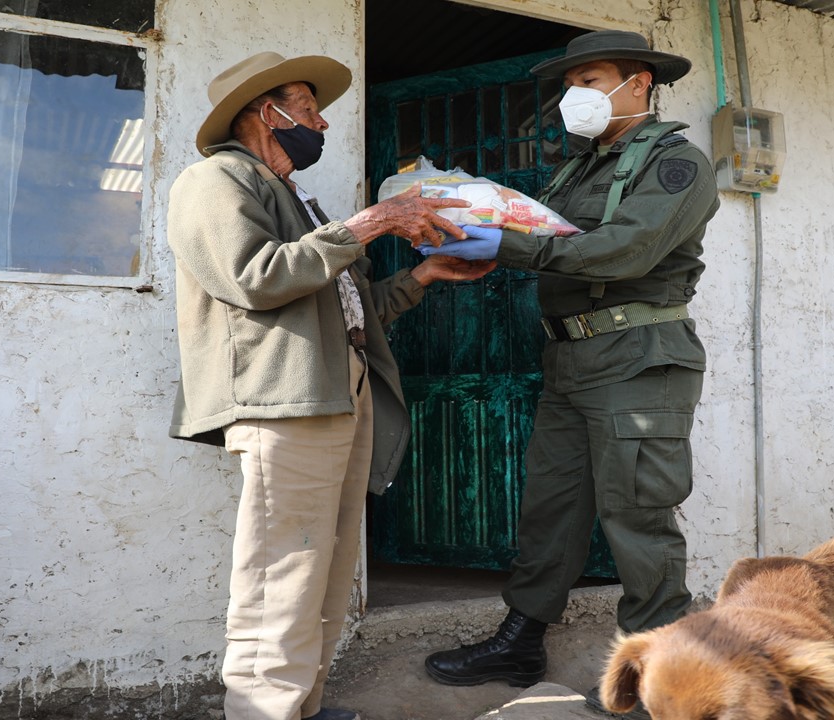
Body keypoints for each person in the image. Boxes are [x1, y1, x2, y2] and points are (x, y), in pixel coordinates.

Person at [166, 52, 497, 720]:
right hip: (285, 399)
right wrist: (371, 222)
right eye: (309, 109)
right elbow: (254, 278)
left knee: (327, 565)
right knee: (282, 571)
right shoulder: (215, 179)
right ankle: (263, 713)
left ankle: (301, 706)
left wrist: (422, 277)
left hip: (337, 390)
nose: (320, 124)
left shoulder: (291, 194)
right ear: (268, 112)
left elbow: (347, 308)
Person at [418, 30, 721, 718]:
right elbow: (557, 241)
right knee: (550, 511)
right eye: (571, 83)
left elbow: (626, 250)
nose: (575, 95)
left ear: (639, 82)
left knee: (638, 519)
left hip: (638, 360)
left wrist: (510, 245)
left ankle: (658, 682)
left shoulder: (676, 164)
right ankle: (521, 641)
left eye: (591, 79)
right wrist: (490, 237)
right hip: (570, 359)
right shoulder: (579, 168)